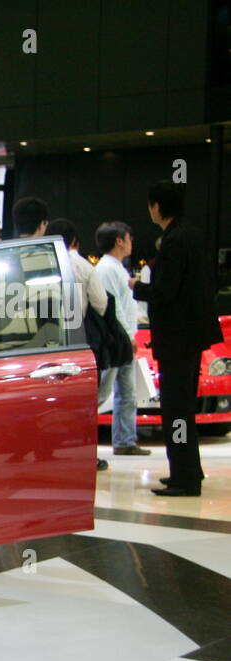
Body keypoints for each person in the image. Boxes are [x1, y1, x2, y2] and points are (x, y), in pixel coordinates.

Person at [131, 182, 220, 496]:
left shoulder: (173, 240)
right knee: (181, 405)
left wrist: (136, 288)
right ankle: (187, 470)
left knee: (176, 407)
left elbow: (165, 291)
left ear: (157, 207)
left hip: (178, 337)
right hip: (191, 335)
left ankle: (185, 477)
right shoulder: (191, 234)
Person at [46, 218, 111, 471]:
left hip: (43, 342)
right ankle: (85, 456)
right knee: (83, 405)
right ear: (74, 240)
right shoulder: (82, 265)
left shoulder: (37, 263)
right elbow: (101, 303)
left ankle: (47, 450)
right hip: (76, 342)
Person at [94, 221, 147, 456]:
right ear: (119, 240)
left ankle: (125, 440)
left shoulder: (115, 267)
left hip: (123, 336)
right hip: (117, 338)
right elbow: (112, 307)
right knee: (103, 392)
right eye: (130, 238)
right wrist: (127, 335)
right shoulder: (107, 269)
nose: (132, 242)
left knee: (127, 391)